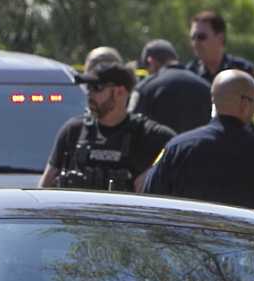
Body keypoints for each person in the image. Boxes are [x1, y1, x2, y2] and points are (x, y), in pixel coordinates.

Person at [141, 70, 254, 217]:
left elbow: (151, 197)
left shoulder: (178, 147)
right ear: (245, 104)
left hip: (187, 245)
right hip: (248, 245)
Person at [40, 63, 175, 192]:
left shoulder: (148, 134)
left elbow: (179, 151)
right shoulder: (73, 131)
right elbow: (45, 188)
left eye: (97, 88)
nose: (89, 95)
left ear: (120, 92)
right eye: (88, 88)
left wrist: (152, 172)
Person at [185, 10, 254, 139]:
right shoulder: (189, 74)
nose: (196, 43)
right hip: (204, 147)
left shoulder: (243, 71)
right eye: (193, 37)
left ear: (220, 37)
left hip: (242, 146)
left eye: (201, 37)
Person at [133, 39, 212, 136]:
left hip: (159, 150)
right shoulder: (205, 85)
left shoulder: (146, 87)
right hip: (200, 149)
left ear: (151, 61)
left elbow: (133, 127)